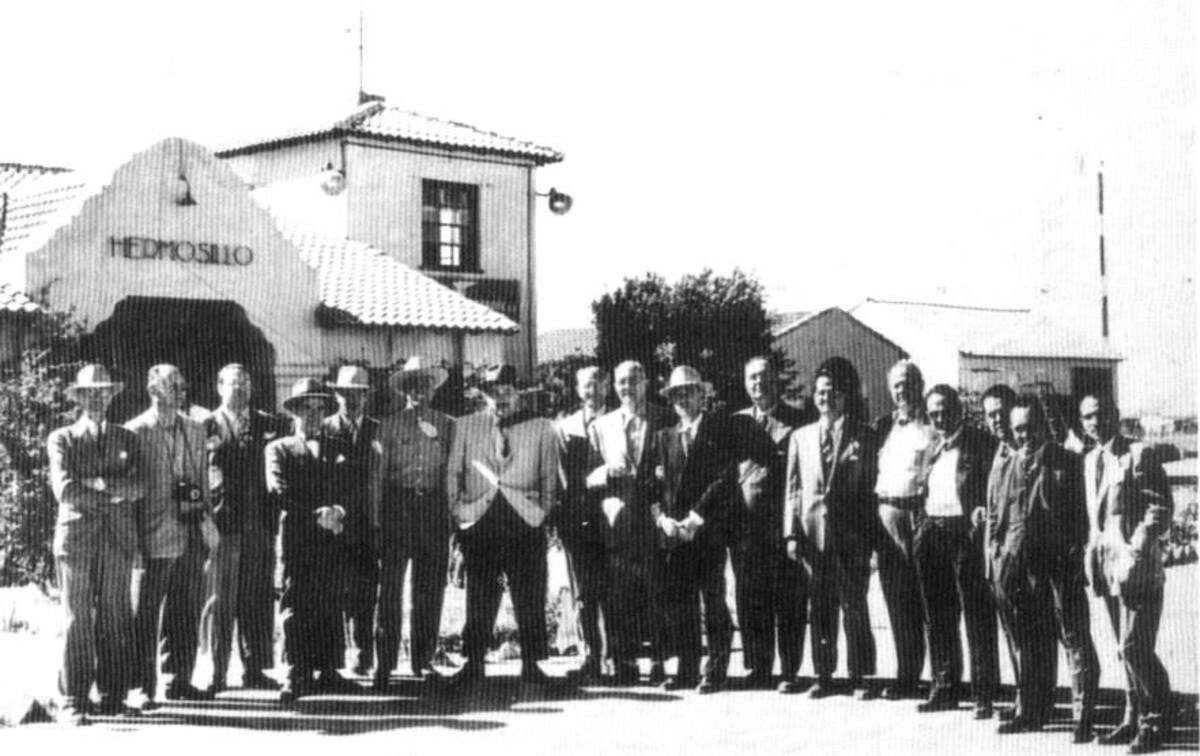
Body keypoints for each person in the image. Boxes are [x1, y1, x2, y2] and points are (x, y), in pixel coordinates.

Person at [652, 365, 774, 694]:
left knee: (714, 601)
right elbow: (656, 487)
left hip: (708, 530)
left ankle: (716, 669)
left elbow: (724, 478)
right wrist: (663, 520)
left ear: (702, 396)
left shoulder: (719, 429)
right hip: (676, 535)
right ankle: (687, 668)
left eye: (689, 392)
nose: (683, 400)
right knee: (682, 604)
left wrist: (695, 518)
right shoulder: (664, 436)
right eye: (677, 394)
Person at [988, 396, 1099, 742]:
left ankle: (1083, 717)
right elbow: (998, 517)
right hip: (1017, 569)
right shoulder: (1006, 465)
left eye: (1031, 428)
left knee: (1074, 639)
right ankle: (1030, 710)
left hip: (1059, 567)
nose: (1025, 436)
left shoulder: (1069, 463)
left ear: (1044, 427)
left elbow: (1085, 517)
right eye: (1018, 429)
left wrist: (1076, 555)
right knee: (1027, 641)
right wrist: (998, 559)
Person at [447, 364, 560, 684]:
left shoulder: (540, 426)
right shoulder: (466, 425)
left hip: (523, 520)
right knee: (480, 593)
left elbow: (549, 475)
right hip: (480, 520)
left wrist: (540, 512)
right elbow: (453, 471)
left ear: (518, 392)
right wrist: (459, 512)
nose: (501, 398)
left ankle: (532, 665)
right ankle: (473, 664)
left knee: (530, 592)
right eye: (494, 392)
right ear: (484, 395)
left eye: (507, 391)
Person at [47, 364, 145, 724]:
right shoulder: (63, 438)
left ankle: (113, 697)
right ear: (79, 398)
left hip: (117, 540)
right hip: (77, 541)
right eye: (90, 393)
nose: (98, 398)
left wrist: (100, 484)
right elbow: (66, 490)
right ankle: (73, 699)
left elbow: (140, 487)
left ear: (111, 396)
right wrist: (112, 492)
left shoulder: (127, 438)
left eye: (104, 392)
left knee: (115, 617)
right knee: (77, 619)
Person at [1080, 394, 1174, 753]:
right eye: (1088, 416)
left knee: (1134, 646)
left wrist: (1137, 547)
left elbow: (1160, 506)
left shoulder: (1139, 454)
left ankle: (1157, 720)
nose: (1095, 421)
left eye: (1101, 414)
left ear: (1115, 416)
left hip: (1138, 570)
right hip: (1107, 571)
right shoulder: (1091, 460)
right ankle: (1133, 717)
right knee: (1124, 650)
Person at [784, 357, 878, 699]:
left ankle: (861, 676)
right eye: (821, 392)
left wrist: (869, 541)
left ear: (845, 397)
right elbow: (793, 489)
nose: (827, 398)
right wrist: (791, 534)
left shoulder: (864, 436)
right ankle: (824, 675)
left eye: (834, 393)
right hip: (812, 536)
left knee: (855, 606)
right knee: (820, 608)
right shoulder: (801, 437)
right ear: (814, 397)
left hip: (851, 538)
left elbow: (870, 491)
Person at [126, 364, 214, 707]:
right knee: (145, 614)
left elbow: (204, 481)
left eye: (183, 385)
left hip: (191, 531)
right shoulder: (134, 431)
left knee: (186, 608)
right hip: (152, 535)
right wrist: (133, 541)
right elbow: (130, 493)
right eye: (173, 386)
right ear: (153, 390)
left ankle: (179, 679)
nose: (181, 391)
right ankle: (141, 687)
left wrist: (207, 527)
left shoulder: (196, 430)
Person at [267, 378, 359, 703]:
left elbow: (350, 488)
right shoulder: (278, 448)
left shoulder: (339, 447)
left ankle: (330, 670)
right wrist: (316, 514)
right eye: (307, 408)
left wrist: (337, 510)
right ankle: (296, 672)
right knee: (296, 604)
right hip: (298, 538)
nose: (314, 415)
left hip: (332, 536)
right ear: (294, 412)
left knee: (330, 600)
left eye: (320, 409)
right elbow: (280, 491)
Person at [911, 385, 999, 717]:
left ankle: (983, 694)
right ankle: (944, 688)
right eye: (933, 413)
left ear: (958, 409)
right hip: (932, 533)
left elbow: (991, 490)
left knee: (977, 615)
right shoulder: (932, 444)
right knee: (938, 615)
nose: (939, 418)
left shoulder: (980, 442)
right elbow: (922, 489)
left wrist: (977, 523)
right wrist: (921, 528)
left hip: (965, 535)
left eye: (945, 410)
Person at [369, 357, 454, 690]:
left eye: (426, 385)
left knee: (430, 587)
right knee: (390, 589)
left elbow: (453, 472)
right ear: (404, 390)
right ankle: (384, 664)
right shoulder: (387, 426)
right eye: (413, 385)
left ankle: (424, 660)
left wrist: (451, 517)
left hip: (433, 509)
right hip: (398, 509)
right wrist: (377, 521)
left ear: (433, 389)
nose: (420, 391)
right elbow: (376, 477)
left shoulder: (448, 425)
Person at [588, 360, 674, 685]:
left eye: (634, 381)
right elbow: (587, 475)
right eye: (622, 382)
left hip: (653, 520)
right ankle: (623, 662)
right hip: (617, 521)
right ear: (614, 387)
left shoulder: (664, 417)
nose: (628, 388)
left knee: (656, 593)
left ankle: (659, 662)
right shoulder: (602, 425)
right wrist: (605, 473)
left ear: (646, 383)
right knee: (619, 596)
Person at [732, 356, 813, 692]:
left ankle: (791, 670)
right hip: (745, 528)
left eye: (764, 377)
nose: (758, 384)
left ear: (775, 380)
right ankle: (759, 667)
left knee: (790, 600)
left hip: (782, 526)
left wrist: (795, 528)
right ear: (745, 383)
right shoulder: (735, 422)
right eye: (752, 378)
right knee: (751, 598)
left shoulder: (797, 419)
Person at [202, 363, 284, 694]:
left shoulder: (270, 423)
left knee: (258, 597)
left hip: (261, 525)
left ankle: (256, 668)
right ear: (220, 386)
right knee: (221, 600)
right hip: (224, 526)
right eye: (234, 382)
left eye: (246, 382)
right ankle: (217, 672)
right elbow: (204, 473)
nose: (241, 388)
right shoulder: (206, 425)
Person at [871, 359, 935, 700]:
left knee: (929, 598)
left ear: (920, 385)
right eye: (896, 384)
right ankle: (906, 676)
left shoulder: (932, 425)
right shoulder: (882, 426)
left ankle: (942, 679)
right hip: (887, 515)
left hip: (919, 514)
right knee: (897, 600)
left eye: (908, 383)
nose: (902, 390)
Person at [554, 365, 612, 682]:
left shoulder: (617, 421)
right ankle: (590, 656)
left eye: (598, 384)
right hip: (578, 521)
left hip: (612, 518)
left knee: (614, 590)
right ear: (578, 391)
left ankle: (617, 657)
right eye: (586, 386)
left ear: (607, 388)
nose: (592, 391)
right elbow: (560, 479)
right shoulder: (565, 427)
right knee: (584, 593)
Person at [322, 365, 380, 676]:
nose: (352, 400)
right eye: (346, 394)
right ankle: (334, 658)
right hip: (335, 526)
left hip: (368, 526)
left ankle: (363, 653)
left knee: (366, 591)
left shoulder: (378, 429)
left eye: (359, 393)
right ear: (336, 395)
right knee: (335, 591)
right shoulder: (324, 428)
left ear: (367, 396)